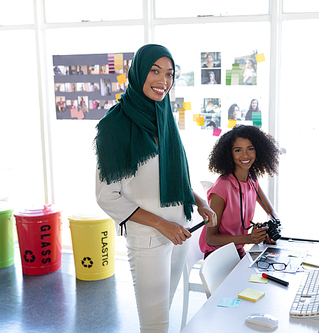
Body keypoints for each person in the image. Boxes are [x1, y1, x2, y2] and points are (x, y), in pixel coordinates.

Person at [94, 44, 217, 333]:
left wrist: (199, 201)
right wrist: (161, 224)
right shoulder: (115, 126)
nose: (163, 80)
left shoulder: (163, 115)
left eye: (170, 74)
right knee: (155, 326)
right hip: (149, 238)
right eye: (155, 71)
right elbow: (107, 196)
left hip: (180, 232)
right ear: (138, 72)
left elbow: (175, 173)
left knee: (164, 314)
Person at [199, 125, 280, 259]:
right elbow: (211, 238)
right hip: (218, 256)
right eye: (238, 150)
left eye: (250, 149)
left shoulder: (252, 180)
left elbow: (272, 213)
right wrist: (249, 238)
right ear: (229, 153)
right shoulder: (222, 187)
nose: (245, 155)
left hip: (238, 250)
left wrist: (269, 231)